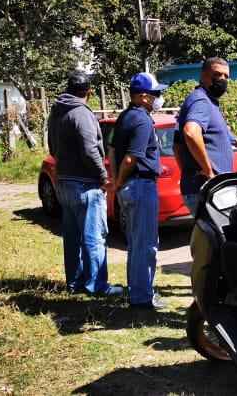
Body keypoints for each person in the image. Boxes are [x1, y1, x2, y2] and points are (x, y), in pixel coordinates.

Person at [48, 71, 122, 297]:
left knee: (71, 238)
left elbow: (51, 146)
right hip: (85, 185)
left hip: (64, 182)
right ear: (89, 92)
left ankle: (75, 281)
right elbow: (90, 150)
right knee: (94, 238)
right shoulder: (81, 113)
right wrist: (103, 177)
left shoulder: (57, 112)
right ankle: (97, 285)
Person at [110, 72, 166, 310]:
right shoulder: (142, 121)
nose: (158, 98)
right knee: (146, 245)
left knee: (136, 244)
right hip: (141, 185)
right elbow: (131, 158)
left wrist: (117, 182)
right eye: (155, 94)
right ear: (143, 97)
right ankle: (142, 297)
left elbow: (112, 150)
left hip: (131, 186)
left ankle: (136, 291)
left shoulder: (125, 116)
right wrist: (120, 180)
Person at [173, 57, 234, 215]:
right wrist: (208, 171)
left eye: (226, 76)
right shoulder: (201, 101)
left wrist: (188, 172)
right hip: (208, 190)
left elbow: (177, 146)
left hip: (200, 188)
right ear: (204, 75)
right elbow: (191, 132)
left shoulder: (202, 100)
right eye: (217, 74)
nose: (222, 79)